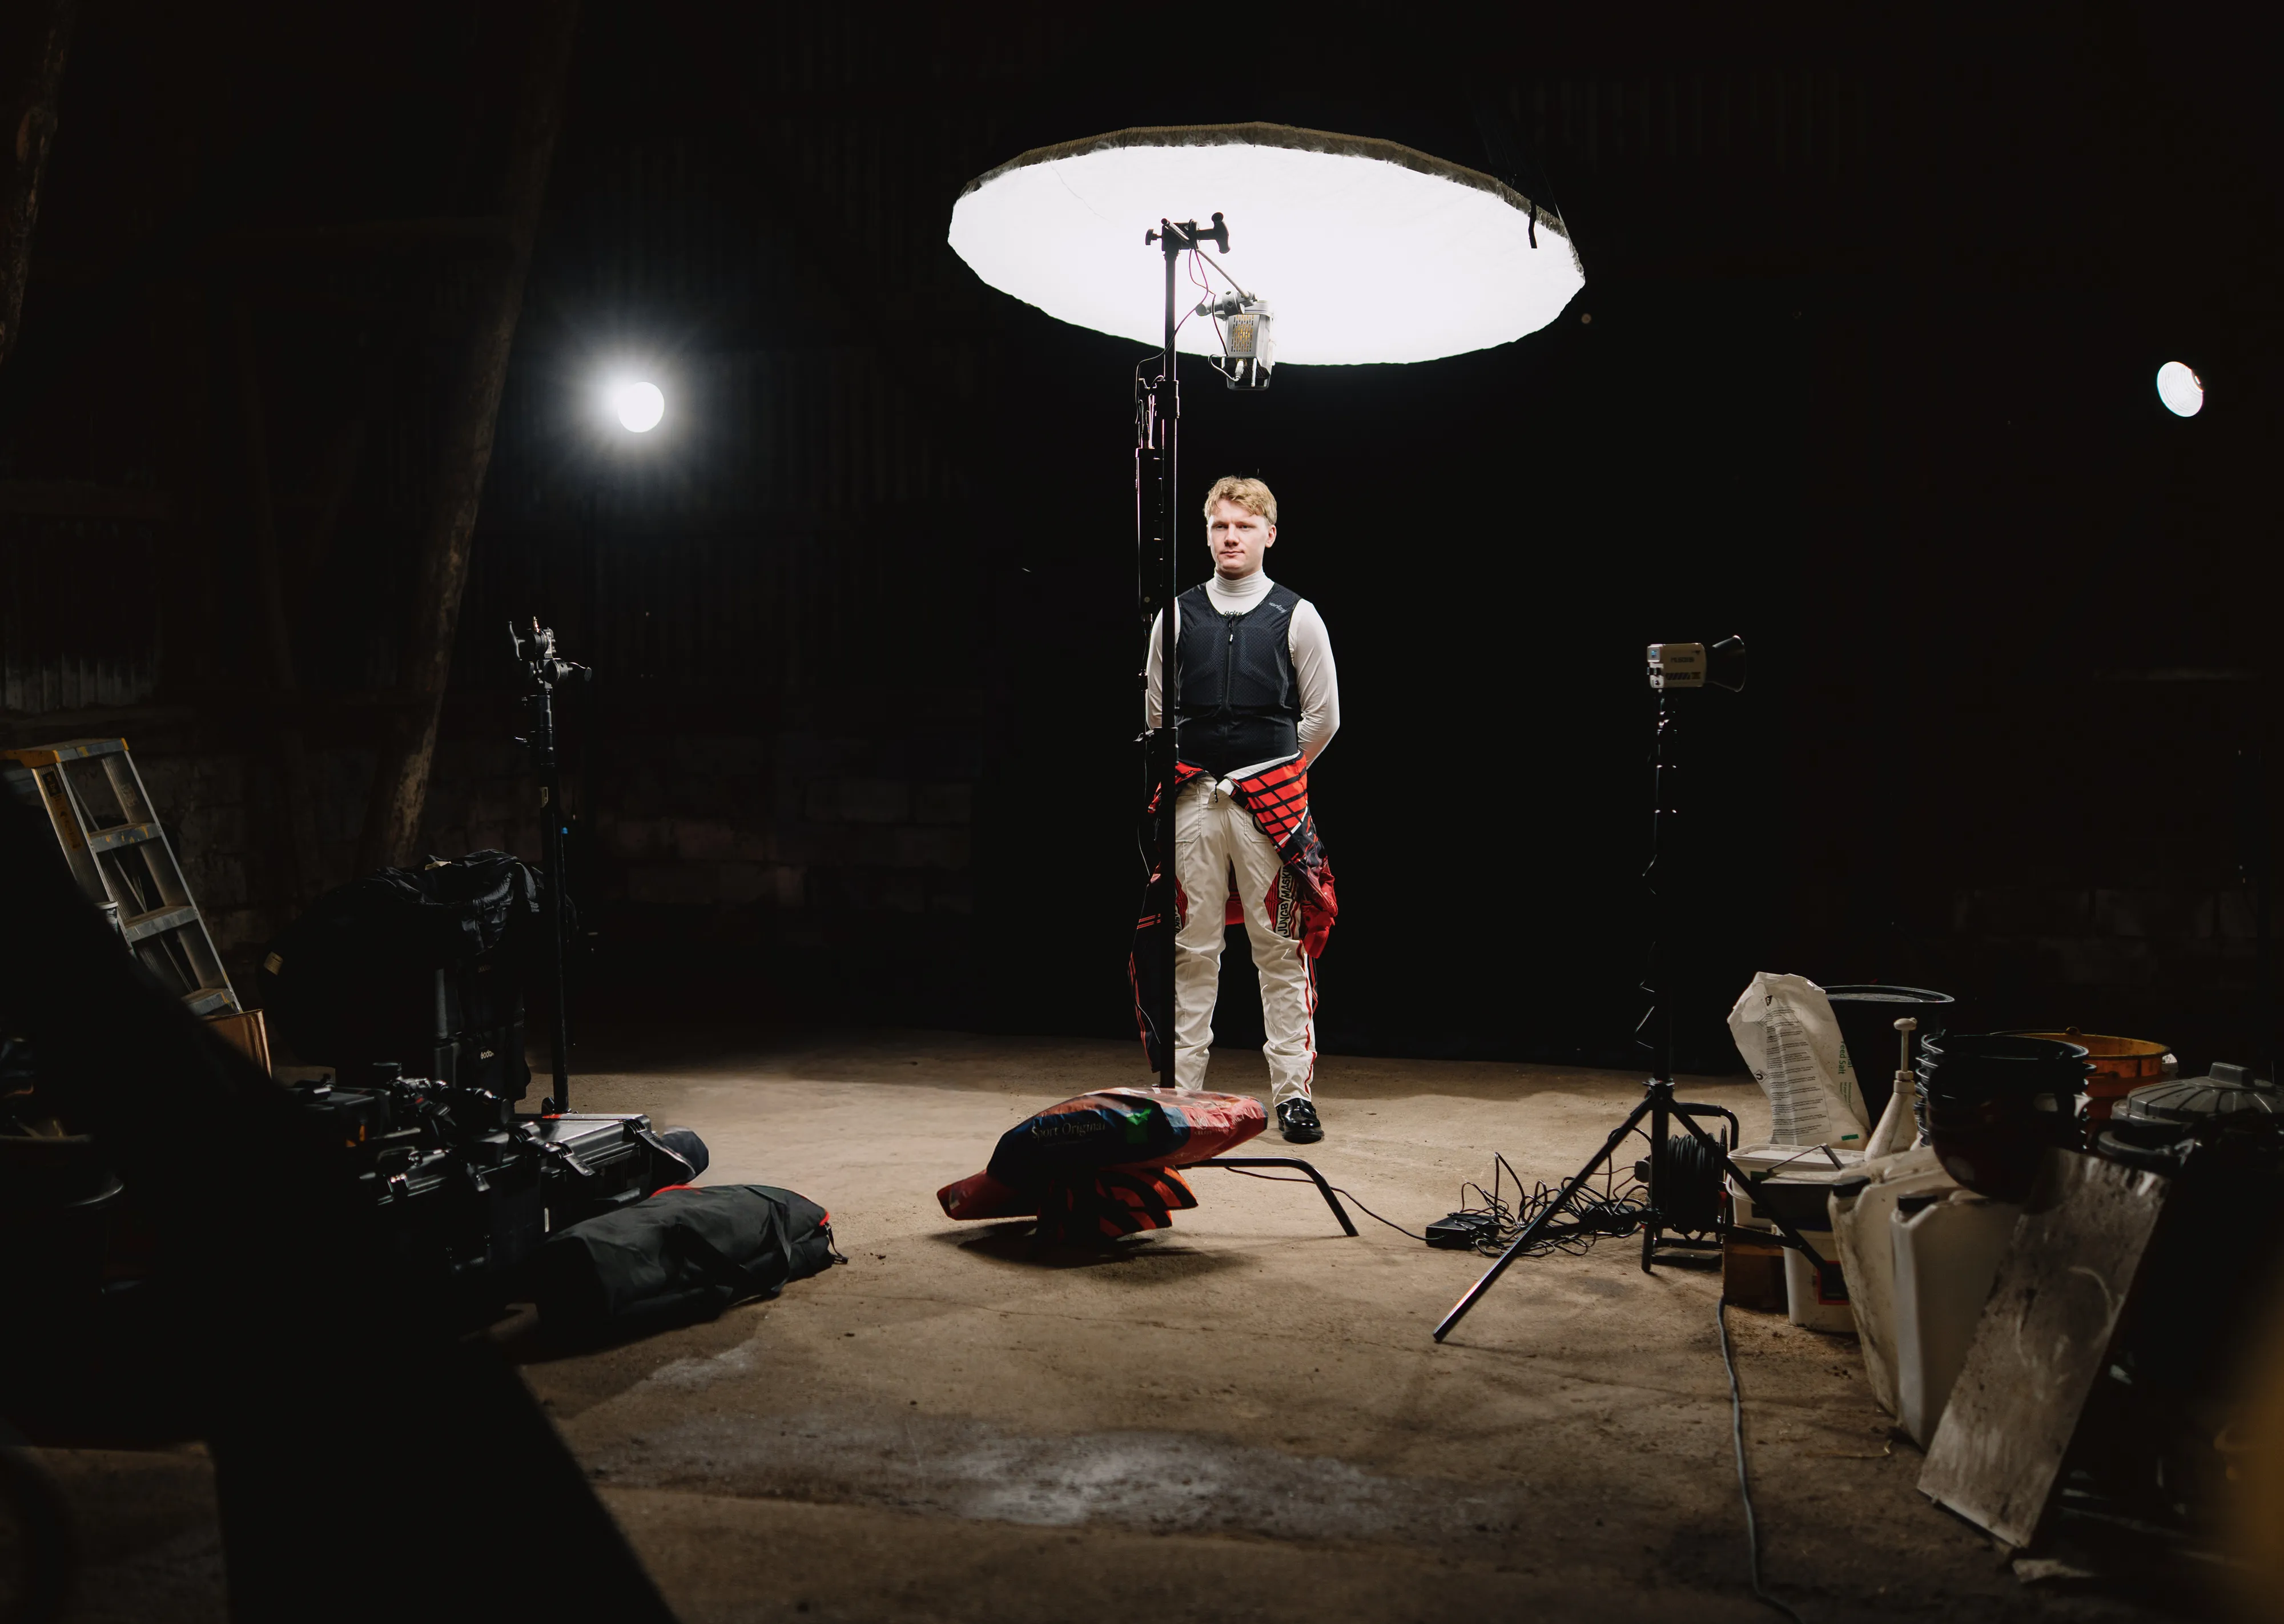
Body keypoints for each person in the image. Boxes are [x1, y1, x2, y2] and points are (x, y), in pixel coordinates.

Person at [1141, 476, 1340, 1143]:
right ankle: (1181, 1095)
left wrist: (1272, 779)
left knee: (1280, 947)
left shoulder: (1297, 614)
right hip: (1193, 799)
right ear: (1207, 533)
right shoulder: (1176, 616)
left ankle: (1293, 1096)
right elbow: (1156, 714)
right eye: (1221, 526)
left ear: (1268, 535)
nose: (1231, 537)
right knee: (1190, 948)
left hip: (1271, 809)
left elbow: (1323, 719)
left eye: (1244, 527)